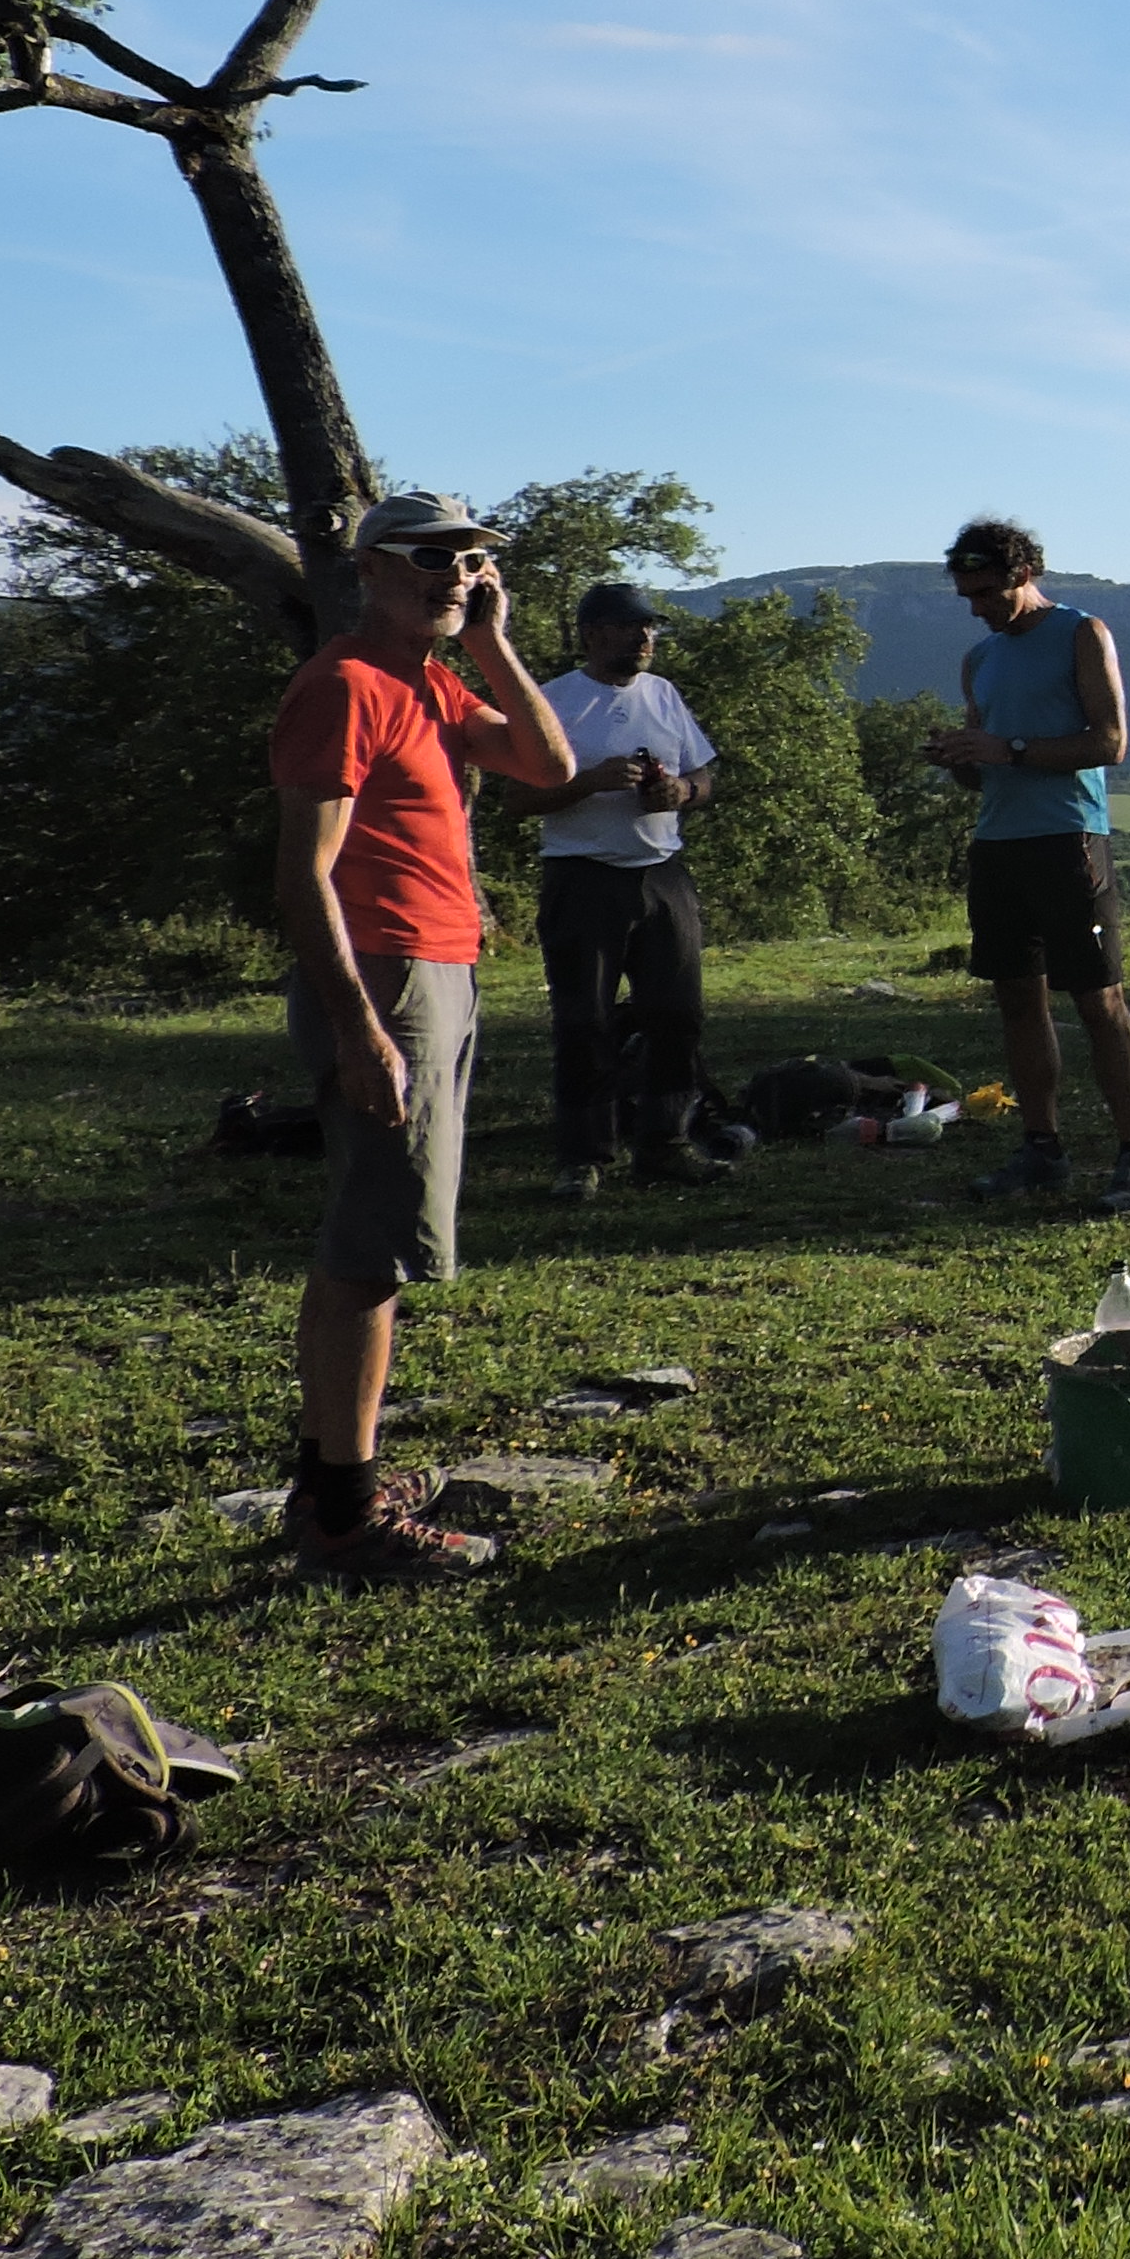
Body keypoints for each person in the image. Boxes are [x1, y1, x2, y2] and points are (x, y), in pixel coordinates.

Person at [269, 490, 575, 1587]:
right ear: (369, 571)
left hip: (438, 967)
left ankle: (327, 1487)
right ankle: (346, 1522)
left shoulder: (434, 682)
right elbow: (302, 874)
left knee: (375, 1237)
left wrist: (492, 642)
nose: (455, 574)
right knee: (374, 1246)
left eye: (472, 559)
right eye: (431, 559)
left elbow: (550, 767)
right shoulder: (346, 684)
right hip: (389, 977)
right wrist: (358, 1025)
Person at [923, 516, 1130, 1210]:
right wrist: (962, 757)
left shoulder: (1083, 633)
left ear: (1024, 574)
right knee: (1018, 998)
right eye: (968, 596)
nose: (978, 607)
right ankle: (1041, 1148)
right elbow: (985, 760)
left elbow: (1109, 742)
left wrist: (1010, 749)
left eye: (988, 591)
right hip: (999, 843)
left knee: (1097, 999)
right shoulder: (979, 658)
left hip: (1069, 838)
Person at [526, 581, 730, 1201]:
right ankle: (582, 1158)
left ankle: (665, 1143)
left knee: (676, 1014)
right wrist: (587, 783)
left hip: (662, 872)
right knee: (584, 1018)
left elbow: (703, 773)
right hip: (581, 874)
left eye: (650, 627)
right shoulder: (554, 701)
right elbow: (515, 798)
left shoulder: (663, 694)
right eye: (631, 626)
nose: (646, 637)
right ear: (594, 634)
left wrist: (682, 794)